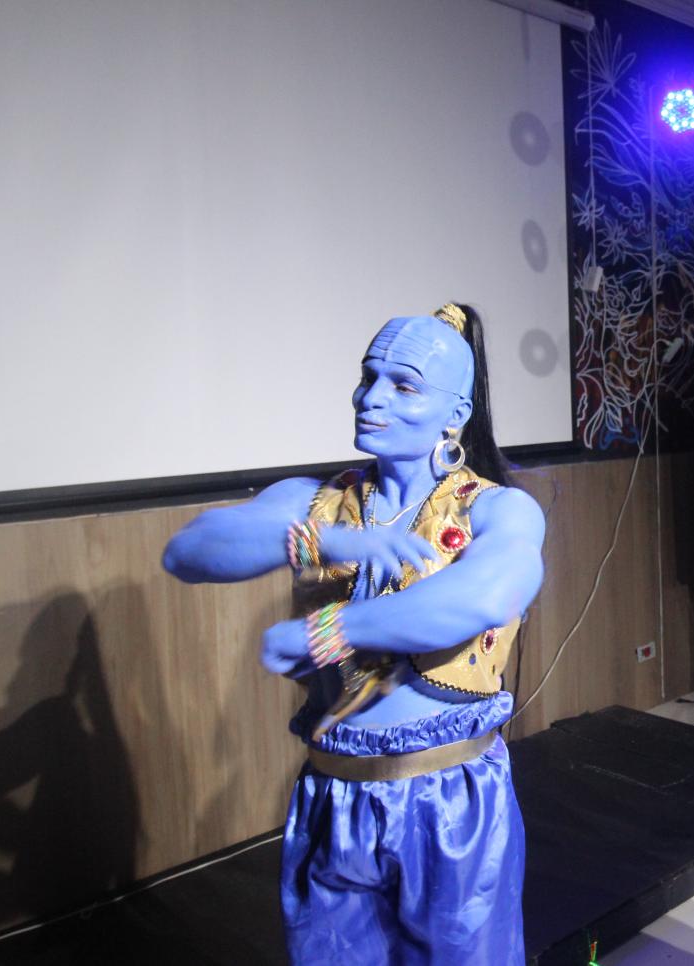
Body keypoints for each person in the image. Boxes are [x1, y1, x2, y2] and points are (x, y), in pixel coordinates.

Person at [162, 304, 545, 965]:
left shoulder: (496, 509)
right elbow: (187, 551)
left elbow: (486, 594)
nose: (370, 398)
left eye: (403, 384)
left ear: (454, 414)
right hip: (335, 793)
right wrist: (323, 542)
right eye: (368, 377)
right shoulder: (319, 503)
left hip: (448, 802)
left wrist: (331, 630)